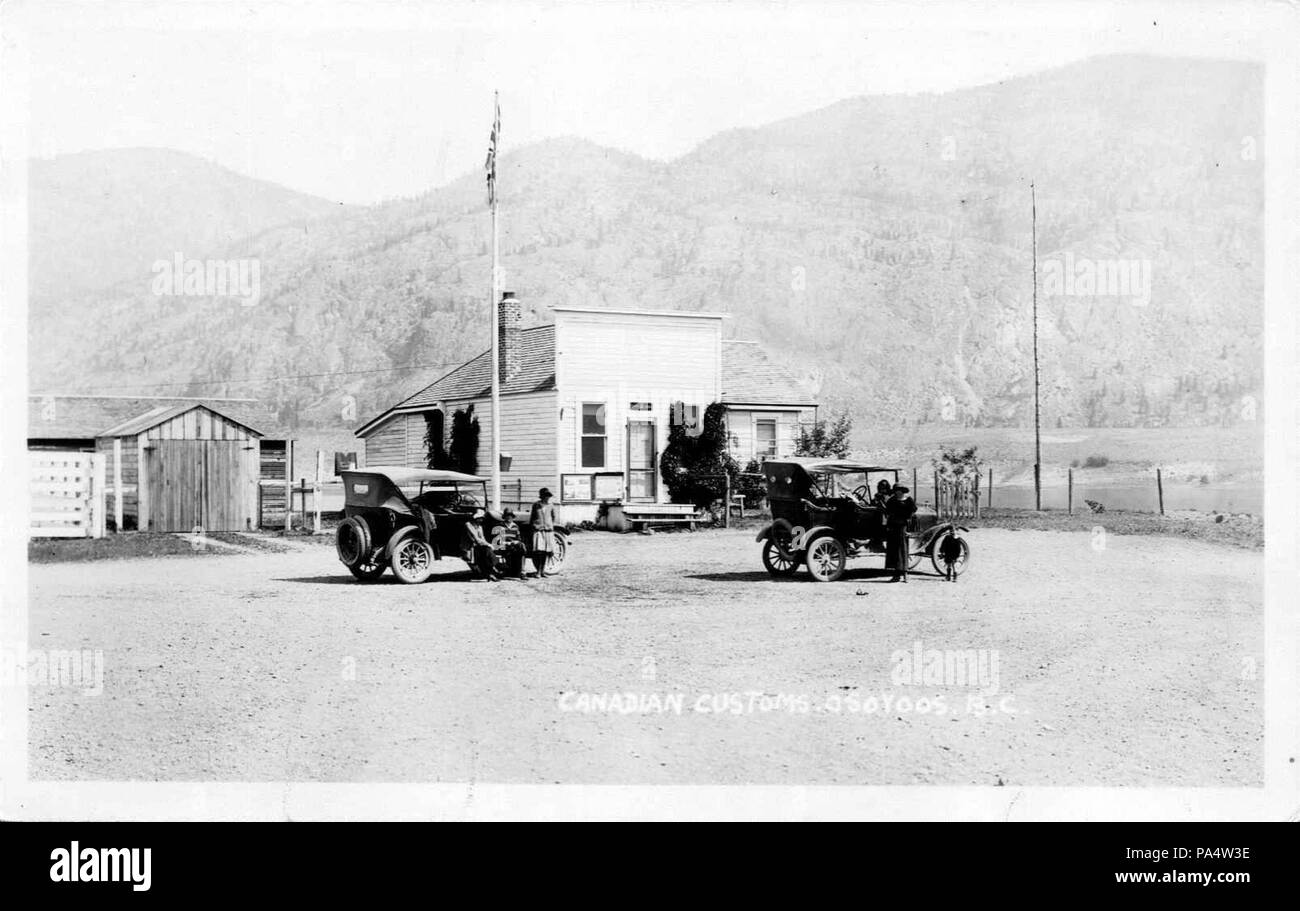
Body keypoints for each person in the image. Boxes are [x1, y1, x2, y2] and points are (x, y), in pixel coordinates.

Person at [884, 484, 917, 583]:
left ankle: (905, 574)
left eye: (899, 490)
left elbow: (912, 513)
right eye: (896, 490)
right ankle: (896, 575)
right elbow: (887, 512)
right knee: (894, 550)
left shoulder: (909, 500)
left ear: (902, 490)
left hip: (903, 527)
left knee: (903, 549)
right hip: (893, 527)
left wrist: (909, 526)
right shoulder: (892, 501)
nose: (897, 492)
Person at [461, 509, 499, 581]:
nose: (481, 520)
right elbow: (475, 538)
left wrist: (488, 544)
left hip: (478, 546)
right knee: (486, 550)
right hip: (469, 547)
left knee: (487, 550)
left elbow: (482, 538)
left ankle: (490, 571)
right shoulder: (468, 525)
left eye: (482, 518)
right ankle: (492, 569)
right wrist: (488, 544)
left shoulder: (480, 527)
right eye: (480, 518)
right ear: (476, 518)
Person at [528, 488, 558, 578]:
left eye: (548, 496)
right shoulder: (536, 505)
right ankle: (538, 571)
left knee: (546, 552)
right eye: (546, 496)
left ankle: (542, 571)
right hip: (538, 530)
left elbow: (553, 517)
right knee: (538, 551)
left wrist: (549, 525)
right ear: (542, 496)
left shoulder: (551, 505)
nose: (547, 498)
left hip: (548, 531)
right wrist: (534, 526)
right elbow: (532, 517)